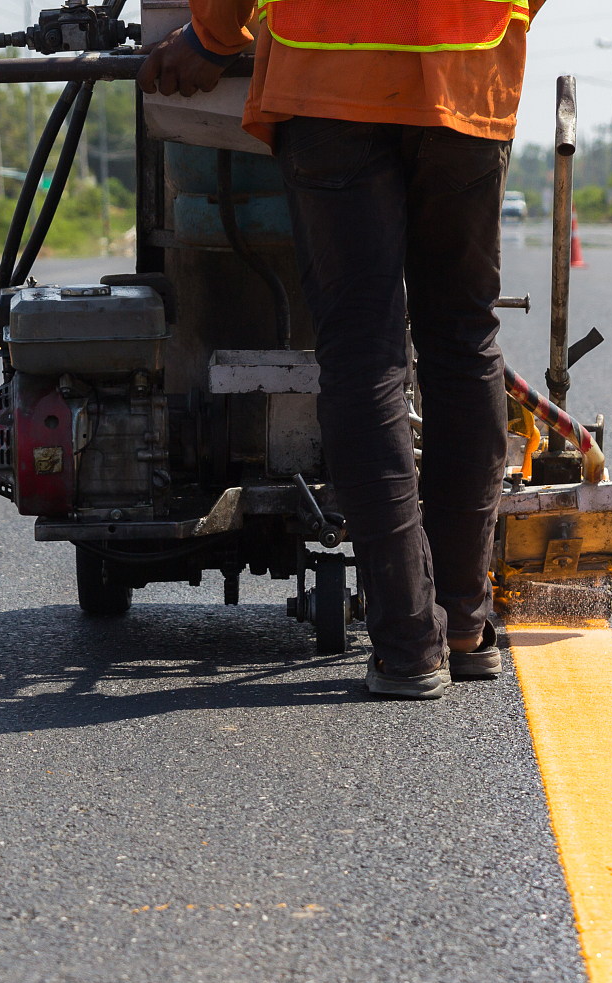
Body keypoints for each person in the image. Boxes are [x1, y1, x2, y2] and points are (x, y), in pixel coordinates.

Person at [140, 0, 544, 700]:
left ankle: (408, 644)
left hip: (329, 71)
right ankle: (463, 625)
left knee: (364, 353)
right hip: (468, 69)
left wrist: (212, 36)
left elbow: (221, 24)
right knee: (463, 340)